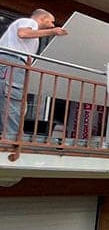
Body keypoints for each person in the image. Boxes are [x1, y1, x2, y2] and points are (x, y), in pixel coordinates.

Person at [0, 9, 68, 139]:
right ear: (42, 18)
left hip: (10, 64)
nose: (53, 25)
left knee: (8, 99)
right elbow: (23, 33)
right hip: (12, 63)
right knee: (12, 101)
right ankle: (12, 139)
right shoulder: (29, 22)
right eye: (51, 22)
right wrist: (53, 32)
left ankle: (10, 137)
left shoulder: (32, 33)